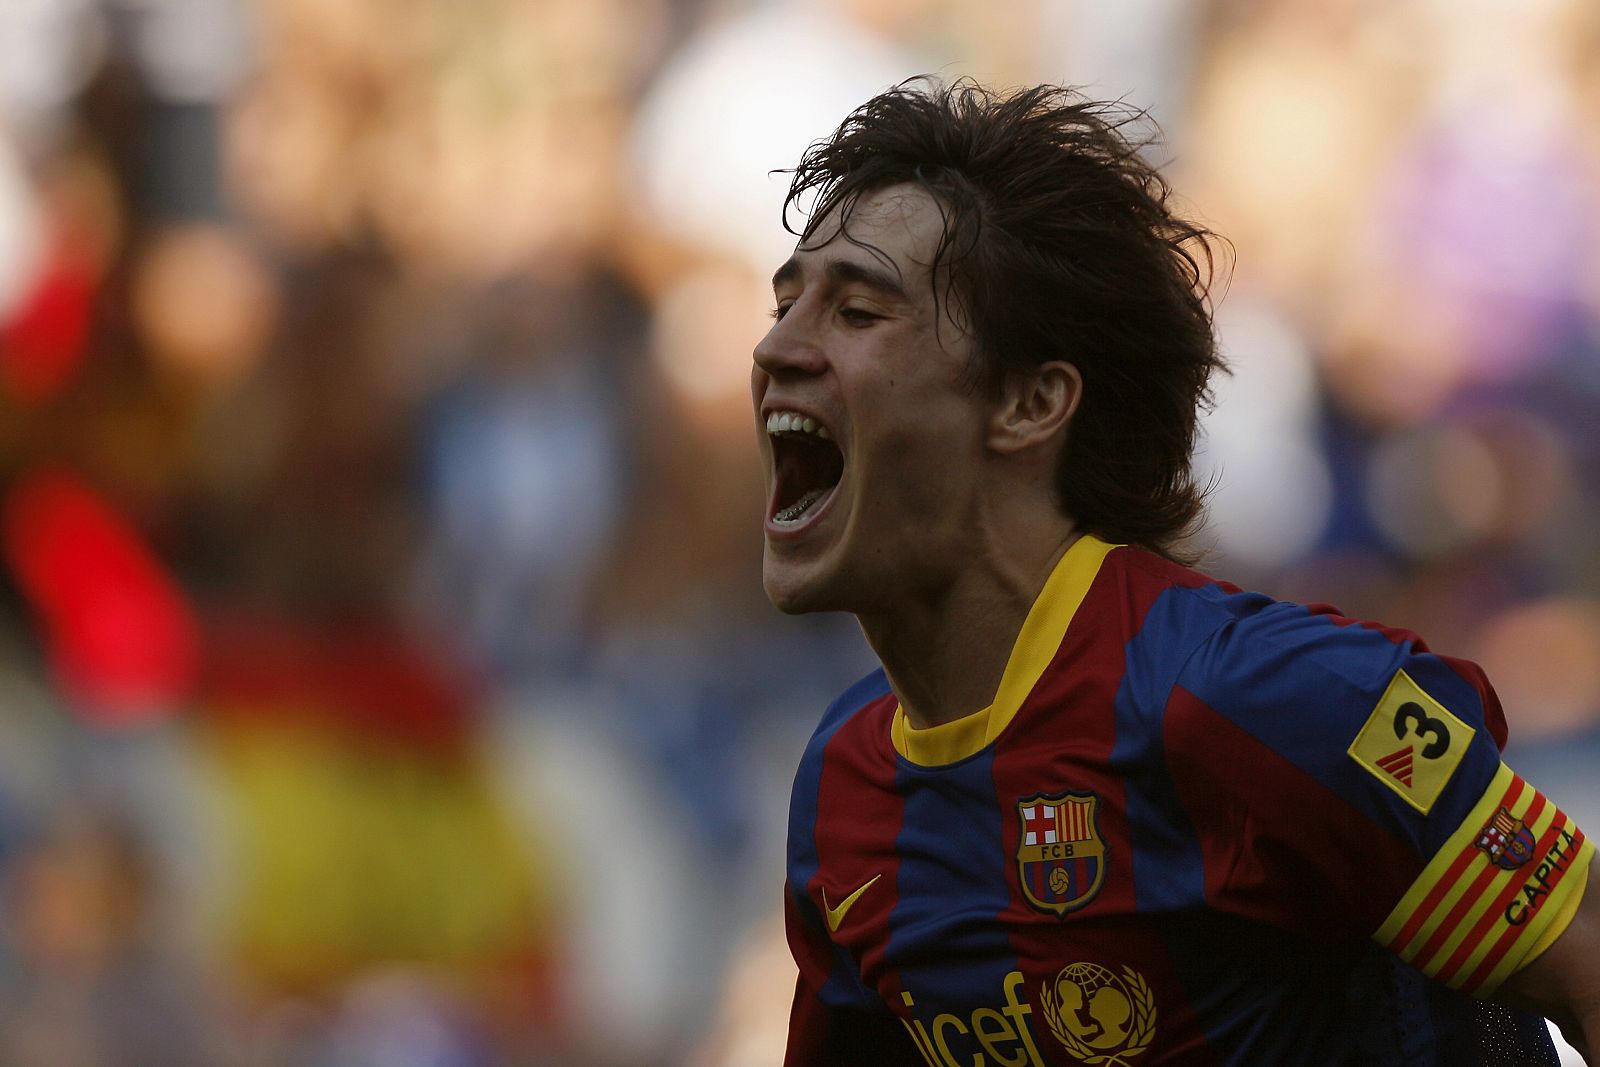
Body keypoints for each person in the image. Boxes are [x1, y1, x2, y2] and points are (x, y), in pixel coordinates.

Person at [752, 79, 1600, 1066]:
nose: (775, 346)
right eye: (784, 302)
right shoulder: (845, 785)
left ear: (1029, 403)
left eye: (855, 309)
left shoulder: (1262, 701)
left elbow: (1582, 951)